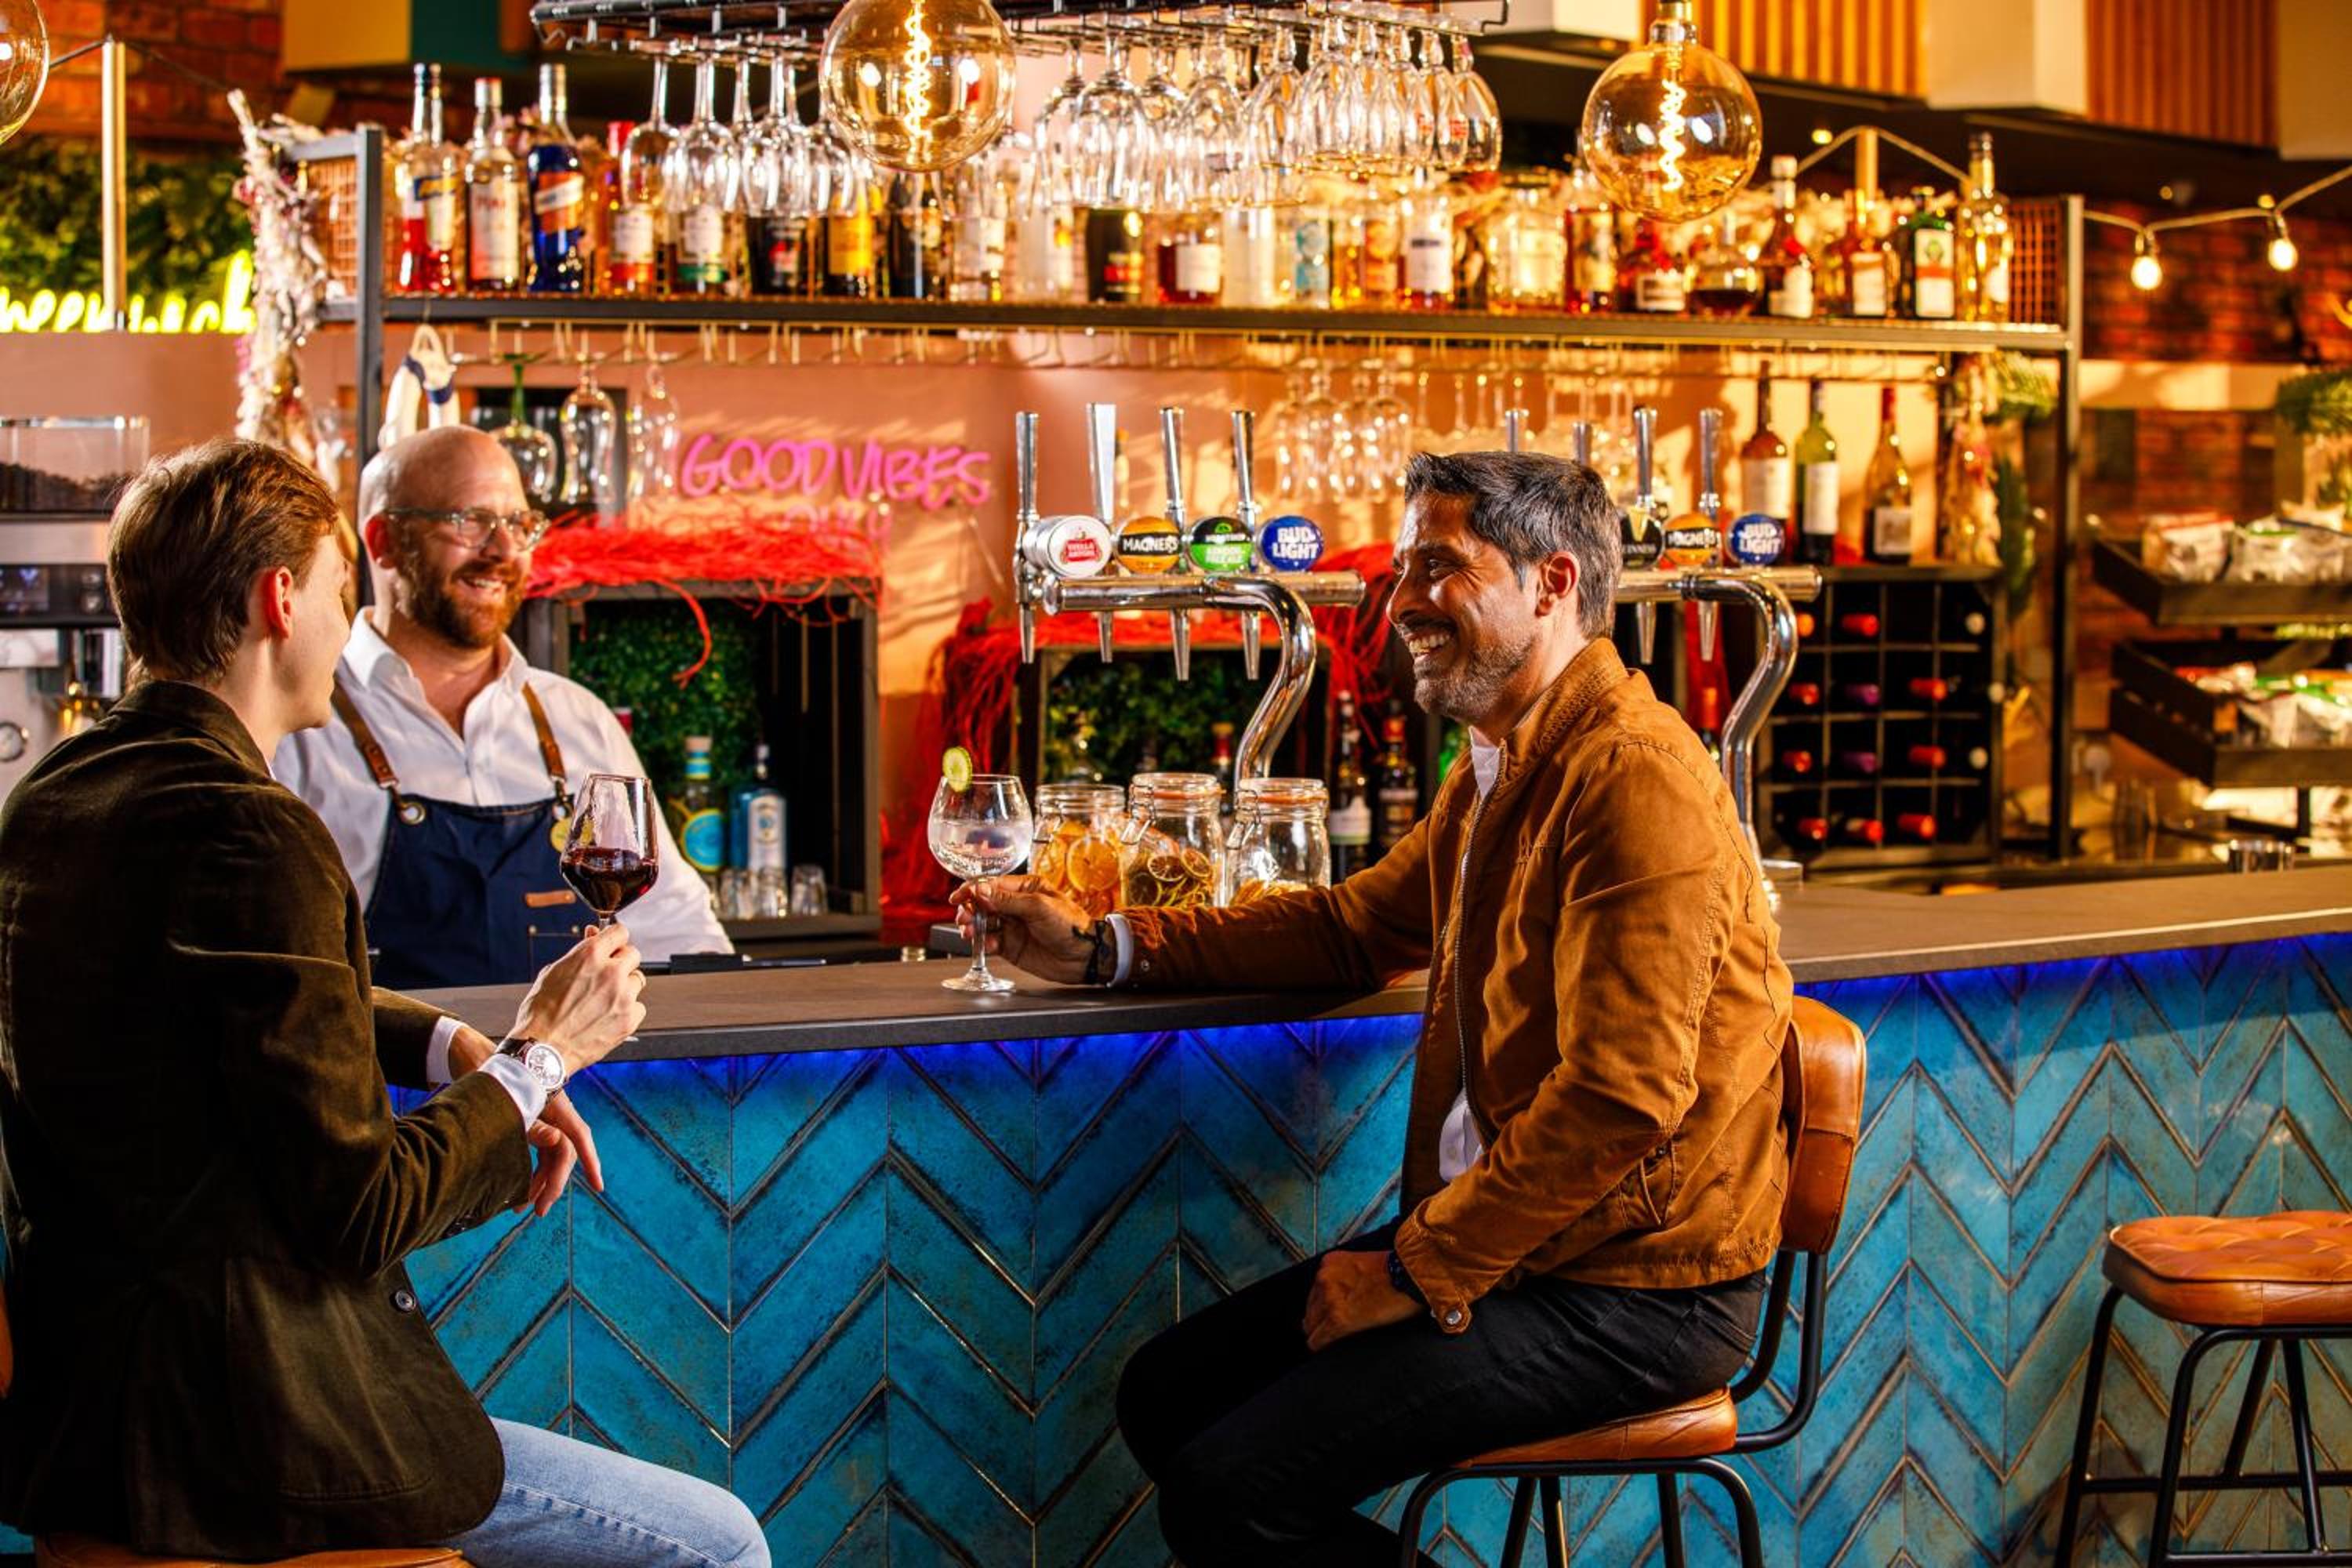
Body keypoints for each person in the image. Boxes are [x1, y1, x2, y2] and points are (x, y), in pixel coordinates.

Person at [957, 450, 1795, 1566]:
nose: (1400, 601)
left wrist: (1411, 1268)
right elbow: (1352, 929)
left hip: (1637, 1287)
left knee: (1228, 1493)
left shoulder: (1632, 775)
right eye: (1405, 568)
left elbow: (1620, 1099)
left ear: (1551, 582)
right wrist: (1105, 946)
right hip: (1532, 1248)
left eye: (1439, 566)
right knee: (1168, 1394)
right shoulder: (1504, 761)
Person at [0, 439, 767, 1566]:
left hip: (92, 1431)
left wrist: (452, 1043)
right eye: (337, 590)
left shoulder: (57, 794)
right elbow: (361, 1208)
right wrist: (538, 1058)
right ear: (279, 599)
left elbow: (251, 994)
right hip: (252, 1433)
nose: (344, 620)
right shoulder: (256, 828)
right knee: (720, 1542)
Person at [274, 424, 729, 990]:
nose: (503, 550)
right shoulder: (298, 725)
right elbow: (274, 970)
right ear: (383, 540)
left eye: (519, 524)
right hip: (382, 1054)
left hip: (569, 1054)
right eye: (470, 521)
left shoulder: (577, 720)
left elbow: (678, 930)